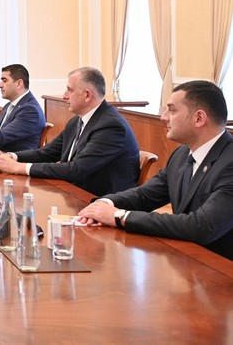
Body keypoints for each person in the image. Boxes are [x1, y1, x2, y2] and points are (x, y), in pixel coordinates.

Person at [78, 81, 233, 260]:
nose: (163, 117)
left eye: (172, 110)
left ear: (199, 118)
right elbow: (144, 196)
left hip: (221, 268)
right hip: (188, 260)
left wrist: (120, 216)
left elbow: (202, 226)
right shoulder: (181, 154)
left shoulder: (229, 162)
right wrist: (105, 204)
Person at [0, 67, 139, 196]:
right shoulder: (77, 121)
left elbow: (76, 169)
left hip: (100, 201)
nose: (65, 96)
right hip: (74, 193)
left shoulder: (111, 126)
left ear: (87, 95)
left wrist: (19, 167)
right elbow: (48, 153)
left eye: (69, 90)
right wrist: (12, 156)